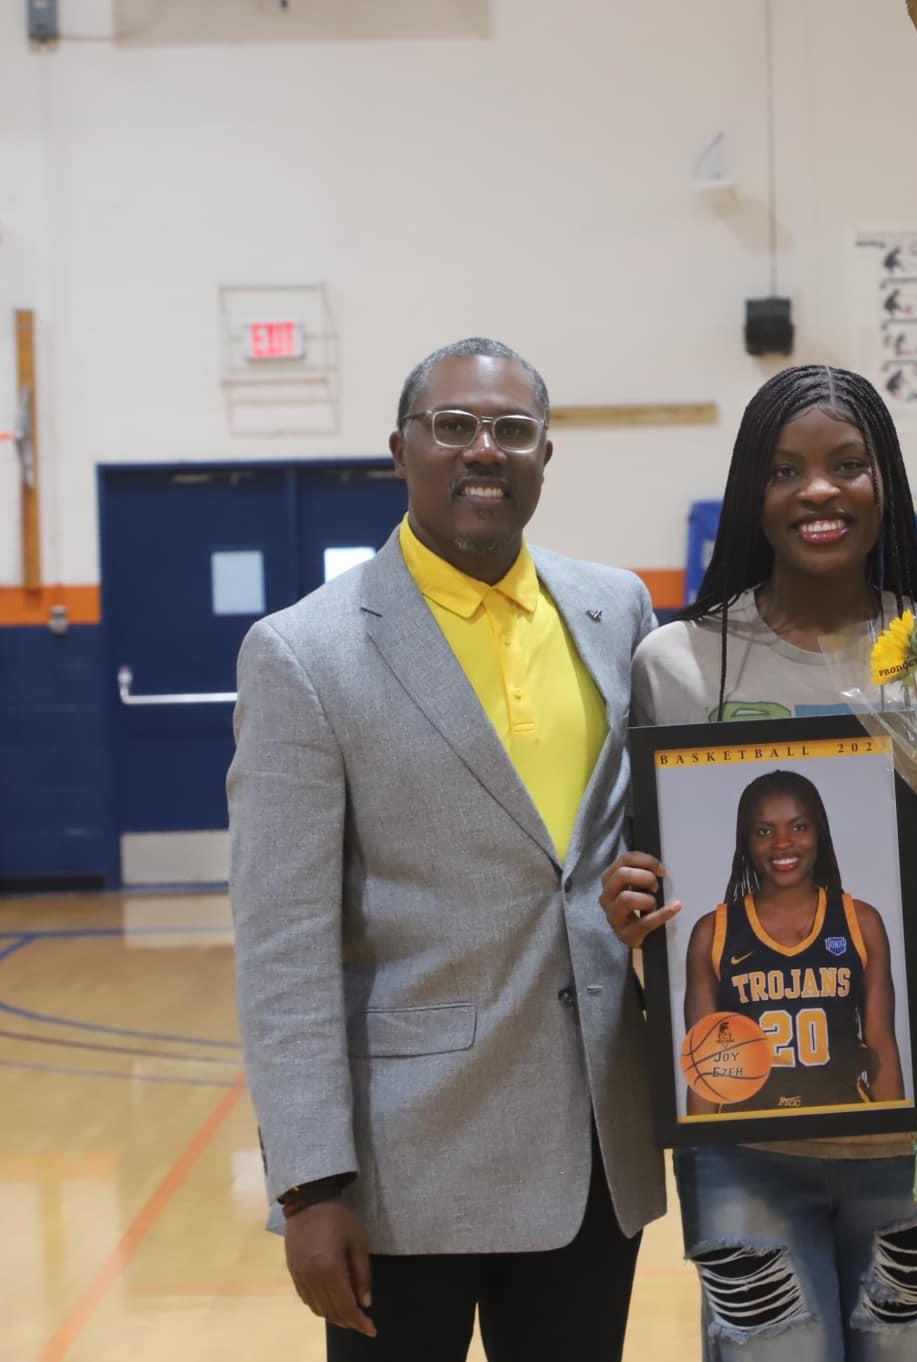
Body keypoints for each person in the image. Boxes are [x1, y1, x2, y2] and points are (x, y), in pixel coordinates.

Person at [227, 337, 664, 1362]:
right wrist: (308, 1185)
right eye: (454, 425)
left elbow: (649, 839)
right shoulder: (304, 651)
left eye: (513, 430)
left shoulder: (616, 611)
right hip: (403, 1167)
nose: (485, 449)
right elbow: (282, 946)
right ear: (400, 448)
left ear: (545, 456)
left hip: (596, 1150)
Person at [599, 364, 917, 1362]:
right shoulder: (679, 663)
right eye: (785, 470)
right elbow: (650, 864)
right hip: (740, 1135)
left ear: (884, 483)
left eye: (845, 465)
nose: (817, 490)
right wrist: (629, 901)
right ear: (754, 492)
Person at [685, 770, 905, 1115]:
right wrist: (699, 1158)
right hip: (747, 1138)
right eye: (764, 831)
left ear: (820, 833)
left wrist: (895, 1144)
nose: (783, 843)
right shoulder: (713, 933)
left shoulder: (860, 922)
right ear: (746, 842)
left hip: (845, 1130)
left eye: (799, 827)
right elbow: (705, 1070)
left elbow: (882, 1049)